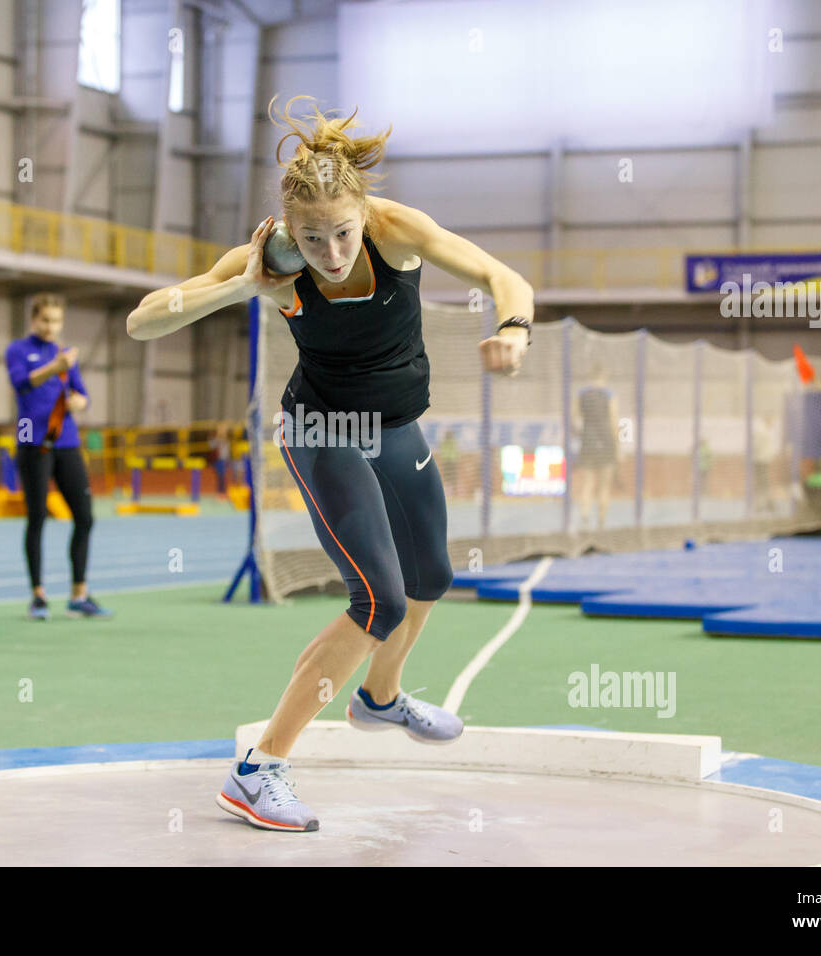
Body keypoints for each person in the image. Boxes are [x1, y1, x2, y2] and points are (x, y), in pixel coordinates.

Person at [127, 96, 533, 832]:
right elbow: (143, 319)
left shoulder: (396, 229)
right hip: (321, 426)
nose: (332, 253)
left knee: (430, 578)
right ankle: (259, 769)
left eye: (342, 233)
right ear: (291, 231)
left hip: (396, 426)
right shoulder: (272, 256)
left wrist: (513, 330)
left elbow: (508, 280)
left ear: (363, 215)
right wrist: (244, 285)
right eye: (313, 240)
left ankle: (380, 697)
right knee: (377, 598)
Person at [5, 294, 110, 621]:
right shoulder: (18, 350)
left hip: (66, 442)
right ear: (33, 320)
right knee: (36, 517)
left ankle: (79, 593)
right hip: (31, 439)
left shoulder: (66, 357)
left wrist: (79, 402)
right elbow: (21, 384)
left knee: (85, 516)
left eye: (56, 321)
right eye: (44, 320)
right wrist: (54, 368)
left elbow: (81, 394)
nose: (50, 327)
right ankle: (38, 596)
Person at [572, 364, 618, 528]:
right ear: (603, 377)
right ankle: (601, 520)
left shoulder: (581, 394)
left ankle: (585, 516)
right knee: (604, 485)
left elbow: (573, 419)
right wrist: (617, 446)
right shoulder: (608, 394)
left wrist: (580, 435)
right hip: (606, 441)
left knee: (588, 483)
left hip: (588, 440)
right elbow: (614, 421)